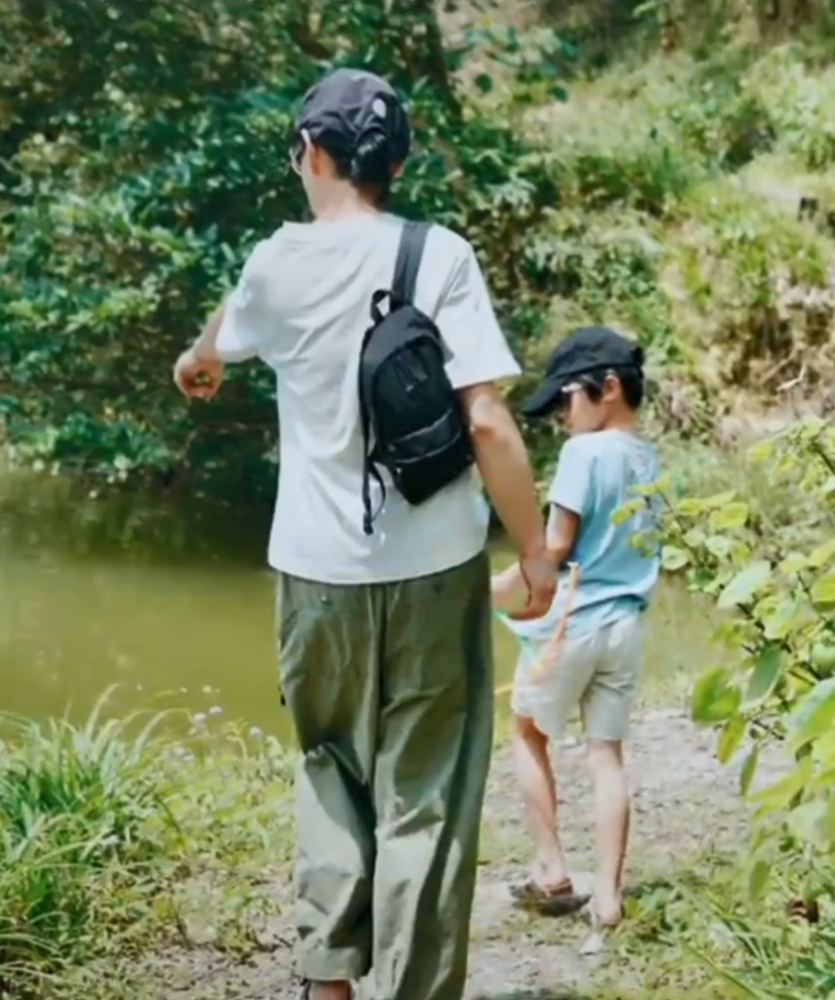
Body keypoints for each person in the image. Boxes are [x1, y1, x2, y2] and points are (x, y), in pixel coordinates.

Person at [172, 68, 557, 1000]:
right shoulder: (439, 256)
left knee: (330, 769)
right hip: (434, 568)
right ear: (396, 161)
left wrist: (198, 357)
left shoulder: (275, 260)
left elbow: (225, 336)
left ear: (310, 152)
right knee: (423, 789)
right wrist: (536, 550)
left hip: (314, 573)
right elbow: (489, 423)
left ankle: (328, 982)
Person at [491, 325, 660, 955]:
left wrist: (497, 587)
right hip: (627, 624)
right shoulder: (647, 456)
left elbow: (555, 550)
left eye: (566, 400)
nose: (561, 416)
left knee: (527, 729)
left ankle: (551, 869)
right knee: (604, 753)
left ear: (607, 388)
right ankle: (609, 899)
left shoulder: (583, 457)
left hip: (577, 620)